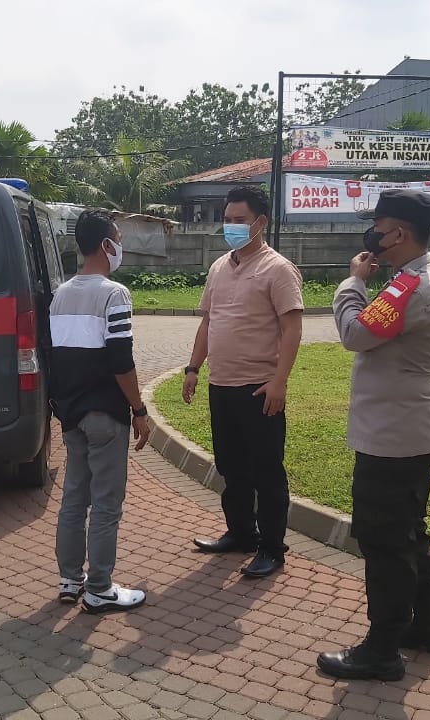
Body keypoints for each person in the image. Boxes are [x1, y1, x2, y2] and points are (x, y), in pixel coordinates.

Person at [317, 189, 430, 681]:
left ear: (398, 233)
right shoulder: (410, 280)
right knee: (409, 534)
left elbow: (355, 334)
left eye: (378, 228)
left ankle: (382, 648)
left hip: (395, 439)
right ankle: (428, 627)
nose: (372, 235)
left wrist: (352, 282)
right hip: (410, 431)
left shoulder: (410, 286)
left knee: (384, 543)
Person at [183, 186, 304, 578]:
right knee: (231, 467)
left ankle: (271, 547)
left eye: (240, 220)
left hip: (259, 388)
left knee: (266, 472)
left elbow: (292, 328)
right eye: (227, 220)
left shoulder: (278, 269)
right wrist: (193, 368)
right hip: (222, 385)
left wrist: (279, 382)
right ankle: (241, 533)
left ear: (260, 222)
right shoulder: (219, 267)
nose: (231, 226)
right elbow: (209, 322)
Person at [49, 208, 150, 614]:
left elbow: (57, 356)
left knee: (74, 498)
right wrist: (139, 409)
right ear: (106, 244)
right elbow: (121, 361)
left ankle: (70, 579)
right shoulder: (114, 294)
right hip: (106, 415)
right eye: (118, 239)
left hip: (71, 414)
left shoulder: (60, 294)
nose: (120, 245)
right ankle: (100, 589)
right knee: (107, 504)